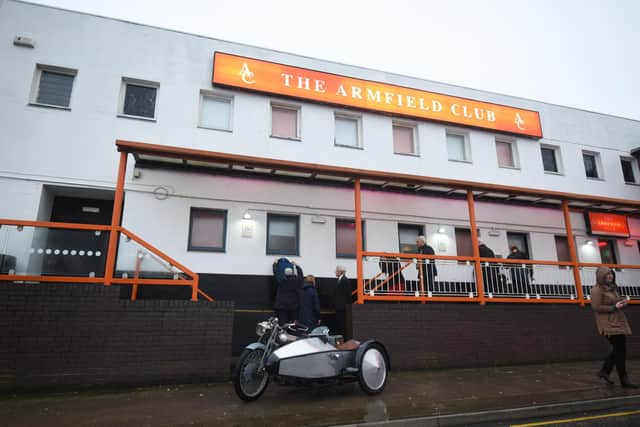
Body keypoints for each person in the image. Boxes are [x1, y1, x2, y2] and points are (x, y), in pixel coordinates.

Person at [591, 266, 638, 388]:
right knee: (620, 350)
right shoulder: (596, 290)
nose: (610, 276)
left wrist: (622, 302)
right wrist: (614, 307)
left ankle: (604, 371)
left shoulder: (612, 288)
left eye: (611, 274)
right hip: (608, 324)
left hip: (618, 321)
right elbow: (596, 307)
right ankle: (624, 379)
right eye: (608, 275)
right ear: (602, 276)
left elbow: (615, 301)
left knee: (618, 349)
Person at [273, 261, 303, 325]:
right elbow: (301, 275)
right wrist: (297, 266)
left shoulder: (282, 281)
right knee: (291, 324)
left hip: (282, 306)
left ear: (285, 273)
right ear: (292, 273)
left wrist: (275, 264)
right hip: (293, 307)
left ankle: (282, 334)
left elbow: (276, 273)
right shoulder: (297, 281)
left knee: (282, 324)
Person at [333, 265, 353, 340]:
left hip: (342, 307)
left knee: (342, 324)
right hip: (339, 307)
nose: (335, 272)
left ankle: (343, 339)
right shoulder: (339, 280)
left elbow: (348, 294)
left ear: (340, 271)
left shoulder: (345, 280)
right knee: (339, 324)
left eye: (336, 271)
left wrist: (346, 306)